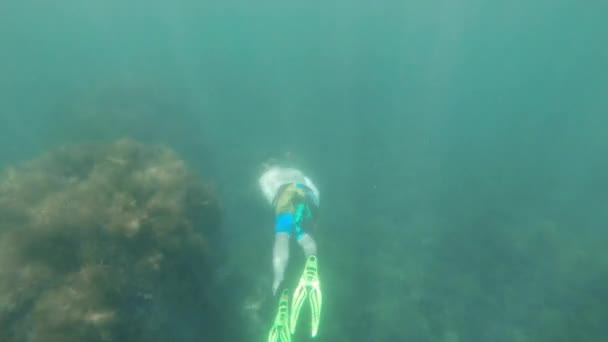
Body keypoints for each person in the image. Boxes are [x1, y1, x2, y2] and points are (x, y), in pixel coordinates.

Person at [259, 164, 322, 342]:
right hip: (306, 193)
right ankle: (311, 265)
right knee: (303, 236)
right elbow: (316, 196)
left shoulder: (265, 177)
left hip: (284, 194)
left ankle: (279, 283)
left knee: (282, 237)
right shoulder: (298, 171)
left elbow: (271, 200)